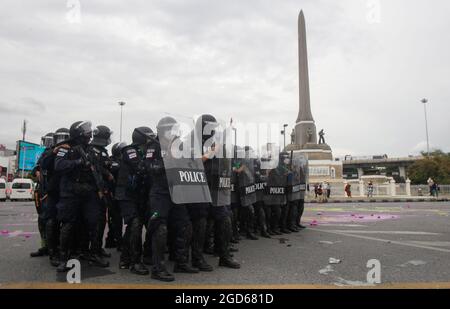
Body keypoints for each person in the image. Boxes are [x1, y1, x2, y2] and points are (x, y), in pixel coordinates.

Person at [55, 121, 109, 272]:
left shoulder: (90, 150)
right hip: (71, 192)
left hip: (89, 191)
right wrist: (78, 162)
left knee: (96, 222)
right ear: (77, 133)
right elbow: (59, 166)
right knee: (68, 224)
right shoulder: (66, 149)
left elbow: (97, 169)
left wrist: (101, 186)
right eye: (85, 131)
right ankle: (63, 258)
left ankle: (93, 253)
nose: (89, 133)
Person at [115, 126, 153, 275]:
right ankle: (135, 262)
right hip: (126, 195)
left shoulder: (146, 152)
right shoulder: (131, 151)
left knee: (132, 226)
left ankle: (125, 259)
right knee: (135, 224)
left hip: (137, 195)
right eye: (149, 137)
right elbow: (140, 167)